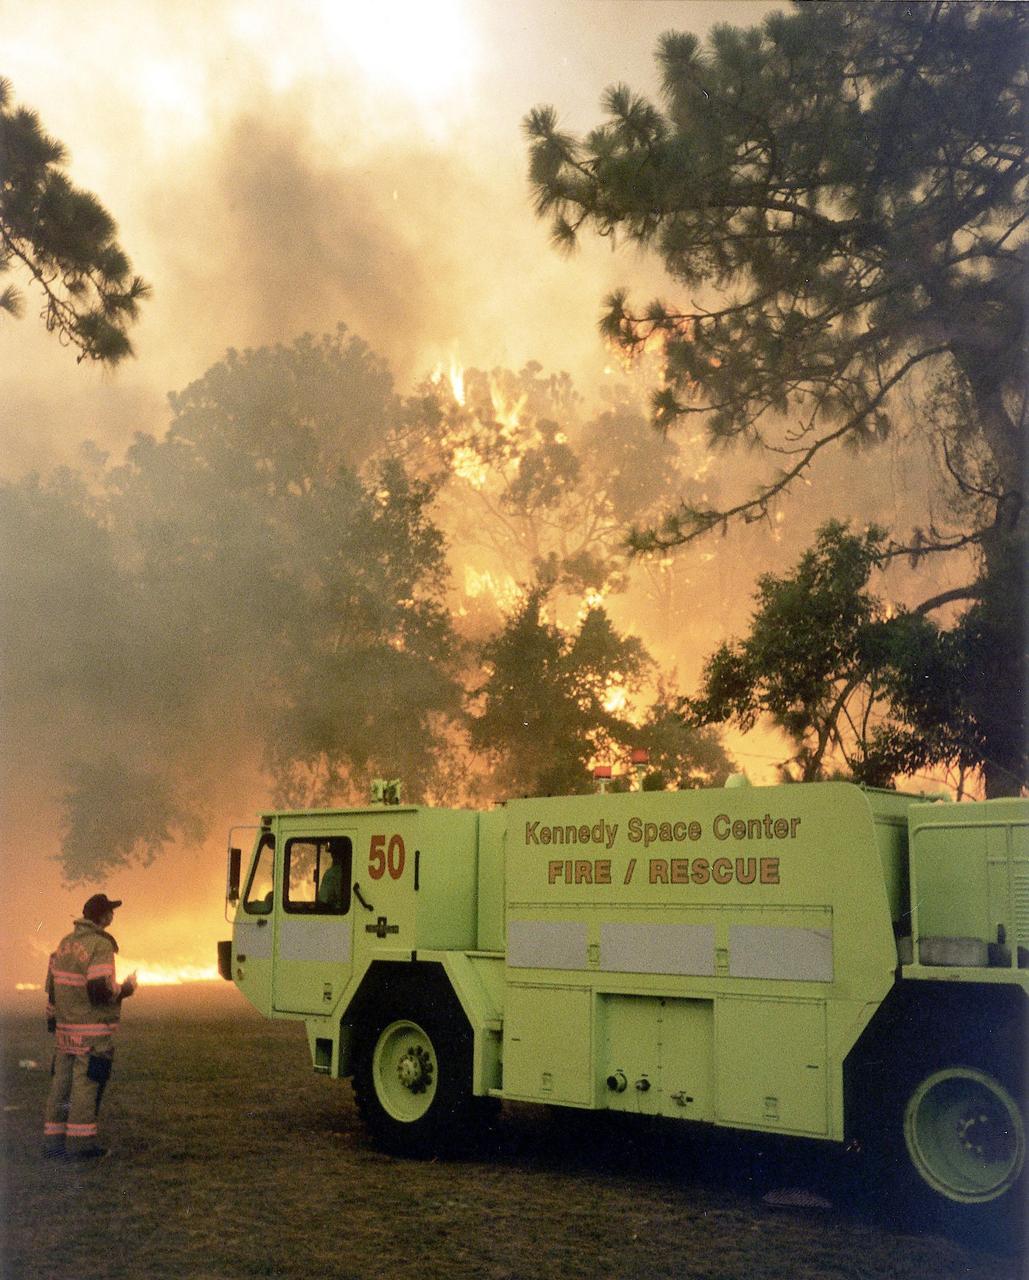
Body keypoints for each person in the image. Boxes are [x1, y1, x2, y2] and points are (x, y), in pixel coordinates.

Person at [42, 893, 137, 1159]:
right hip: (91, 1032)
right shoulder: (100, 945)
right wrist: (126, 989)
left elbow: (52, 989)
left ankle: (53, 1142)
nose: (113, 915)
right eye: (111, 911)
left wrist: (54, 1021)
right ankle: (81, 1145)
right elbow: (98, 990)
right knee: (87, 1084)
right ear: (103, 916)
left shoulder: (65, 943)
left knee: (61, 1084)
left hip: (65, 1031)